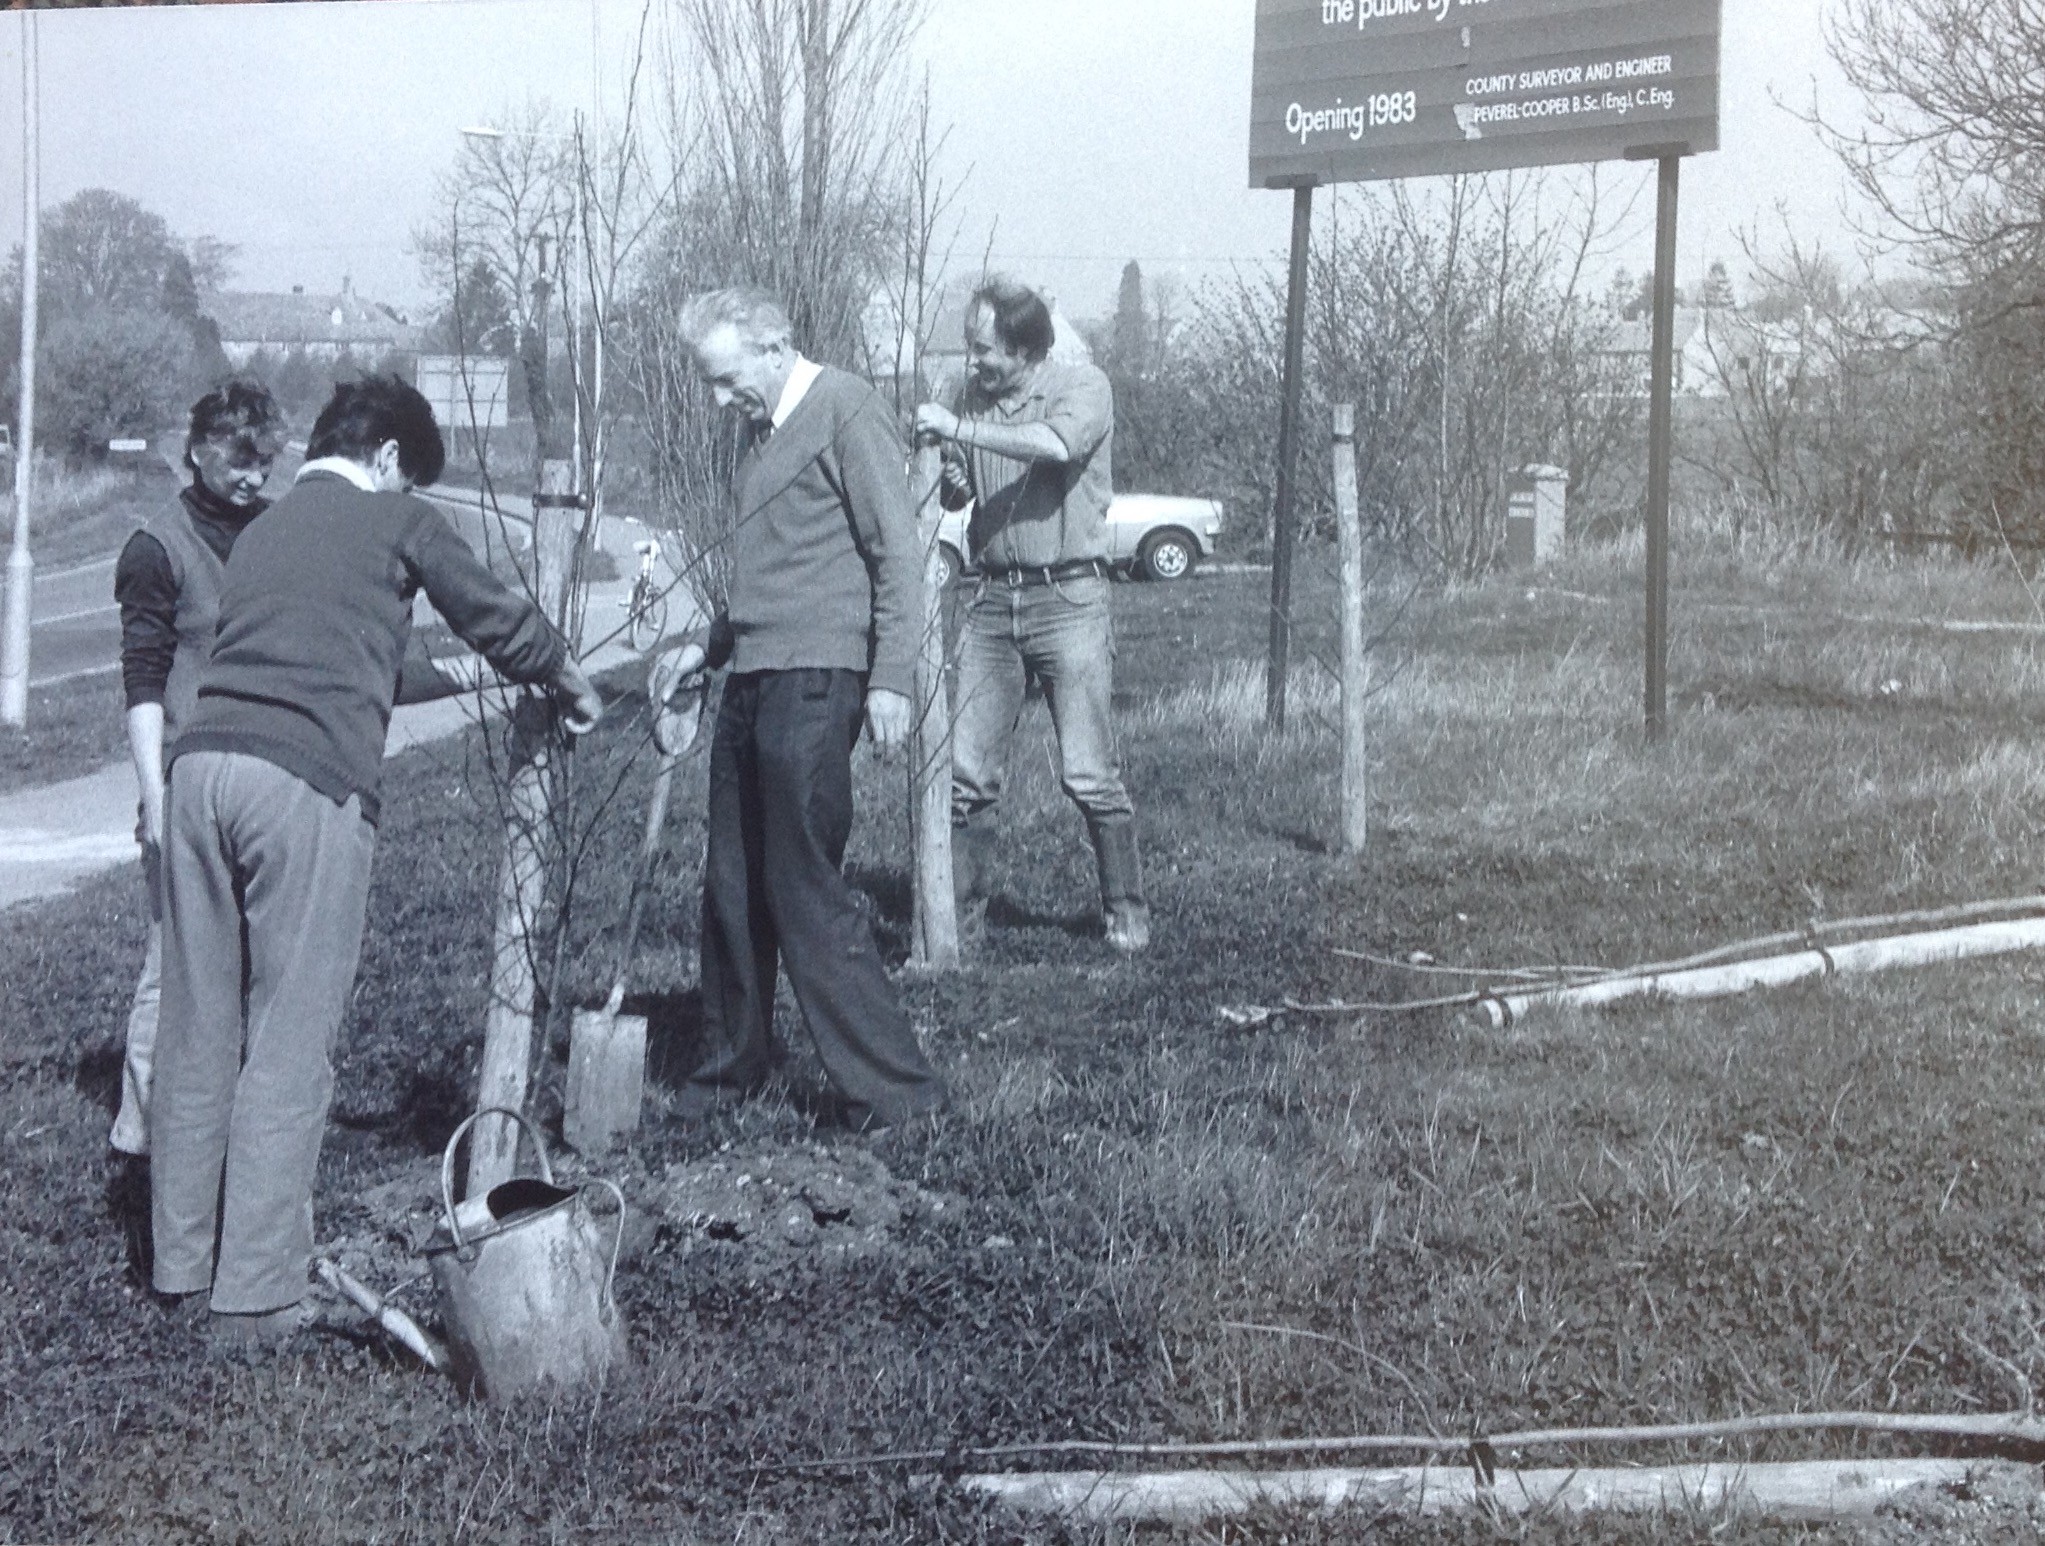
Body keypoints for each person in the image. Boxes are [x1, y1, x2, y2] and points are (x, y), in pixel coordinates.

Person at [148, 375, 603, 1346]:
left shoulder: (264, 531)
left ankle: (179, 1270)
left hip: (199, 774)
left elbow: (359, 654)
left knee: (197, 1028)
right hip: (303, 783)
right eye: (411, 475)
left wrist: (465, 676)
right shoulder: (400, 518)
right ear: (390, 457)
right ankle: (255, 1299)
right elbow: (492, 611)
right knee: (288, 1036)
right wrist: (564, 672)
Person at [647, 286, 947, 1132]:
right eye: (709, 382)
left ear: (774, 347)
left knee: (802, 881)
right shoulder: (763, 433)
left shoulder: (847, 408)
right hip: (754, 675)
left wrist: (891, 679)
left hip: (817, 679)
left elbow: (896, 554)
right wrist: (707, 648)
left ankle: (897, 1093)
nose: (718, 400)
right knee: (732, 883)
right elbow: (773, 570)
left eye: (725, 378)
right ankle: (730, 1069)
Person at [912, 278, 1150, 953]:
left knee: (1088, 772)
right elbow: (960, 490)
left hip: (1068, 599)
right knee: (966, 776)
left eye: (984, 349)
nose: (974, 361)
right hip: (990, 602)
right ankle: (956, 926)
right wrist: (954, 476)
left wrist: (959, 429)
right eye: (971, 347)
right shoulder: (970, 397)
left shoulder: (1082, 386)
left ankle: (1126, 911)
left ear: (1025, 348)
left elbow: (1055, 445)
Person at [110, 381, 286, 1159]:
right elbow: (144, 681)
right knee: (174, 962)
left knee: (253, 964)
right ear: (198, 452)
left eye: (264, 461)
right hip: (184, 782)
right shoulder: (157, 548)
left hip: (263, 777)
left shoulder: (278, 534)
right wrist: (154, 799)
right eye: (239, 460)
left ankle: (224, 1129)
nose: (254, 475)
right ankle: (142, 1134)